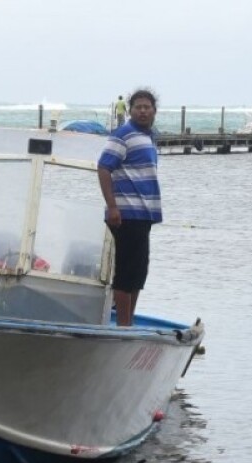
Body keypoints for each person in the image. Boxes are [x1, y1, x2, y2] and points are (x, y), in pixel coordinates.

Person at [97, 88, 162, 327]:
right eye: (138, 107)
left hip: (144, 214)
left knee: (139, 272)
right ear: (130, 110)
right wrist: (112, 207)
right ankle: (123, 326)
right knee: (126, 272)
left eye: (147, 107)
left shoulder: (149, 137)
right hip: (126, 213)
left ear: (154, 111)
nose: (143, 111)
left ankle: (129, 322)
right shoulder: (123, 135)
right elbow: (104, 168)